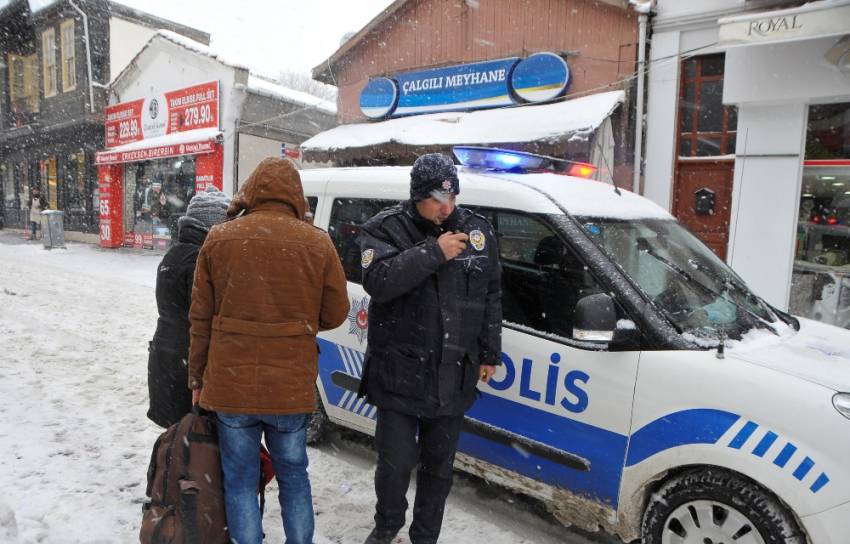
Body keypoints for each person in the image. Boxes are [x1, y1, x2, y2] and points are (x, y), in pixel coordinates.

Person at [188, 157, 349, 544]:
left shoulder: (219, 238)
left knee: (240, 479)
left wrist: (197, 377)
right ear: (296, 196)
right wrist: (298, 324)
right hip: (290, 389)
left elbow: (199, 319)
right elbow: (337, 312)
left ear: (253, 190)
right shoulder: (317, 242)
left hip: (230, 386)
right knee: (294, 476)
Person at [357, 153, 502, 544]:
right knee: (395, 466)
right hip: (399, 374)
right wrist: (433, 252)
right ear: (417, 195)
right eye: (438, 200)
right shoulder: (385, 229)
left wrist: (490, 353)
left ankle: (425, 536)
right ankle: (387, 526)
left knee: (439, 469)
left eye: (452, 198)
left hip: (453, 374)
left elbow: (490, 295)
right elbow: (379, 281)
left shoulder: (477, 232)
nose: (447, 208)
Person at [146, 186, 231, 428]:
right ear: (213, 226)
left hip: (166, 357)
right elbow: (204, 317)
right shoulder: (199, 260)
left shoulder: (174, 254)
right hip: (187, 363)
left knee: (180, 444)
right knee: (195, 448)